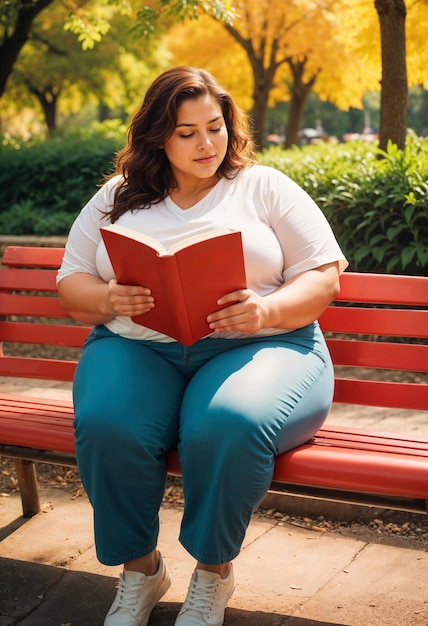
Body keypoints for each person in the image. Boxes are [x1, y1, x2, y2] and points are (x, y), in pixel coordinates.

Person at [57, 66, 348, 626]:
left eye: (214, 127)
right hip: (140, 348)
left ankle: (213, 575)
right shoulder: (116, 197)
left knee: (226, 424)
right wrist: (111, 299)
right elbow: (72, 283)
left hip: (263, 348)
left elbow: (323, 278)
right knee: (106, 424)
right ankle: (141, 572)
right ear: (157, 136)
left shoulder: (265, 187)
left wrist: (265, 309)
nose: (205, 143)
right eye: (186, 132)